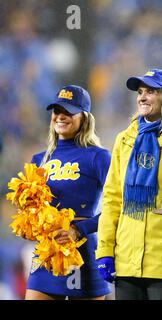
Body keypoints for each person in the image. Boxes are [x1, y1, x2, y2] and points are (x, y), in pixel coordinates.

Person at [95, 68, 162, 300]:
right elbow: (112, 198)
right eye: (140, 92)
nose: (142, 97)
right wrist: (105, 251)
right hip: (126, 259)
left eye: (151, 91)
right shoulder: (124, 139)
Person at [26, 85, 111, 300]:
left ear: (84, 118)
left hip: (82, 250)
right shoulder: (39, 160)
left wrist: (79, 229)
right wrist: (29, 224)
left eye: (69, 111)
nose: (60, 117)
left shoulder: (98, 157)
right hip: (47, 250)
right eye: (56, 111)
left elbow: (117, 207)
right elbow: (33, 211)